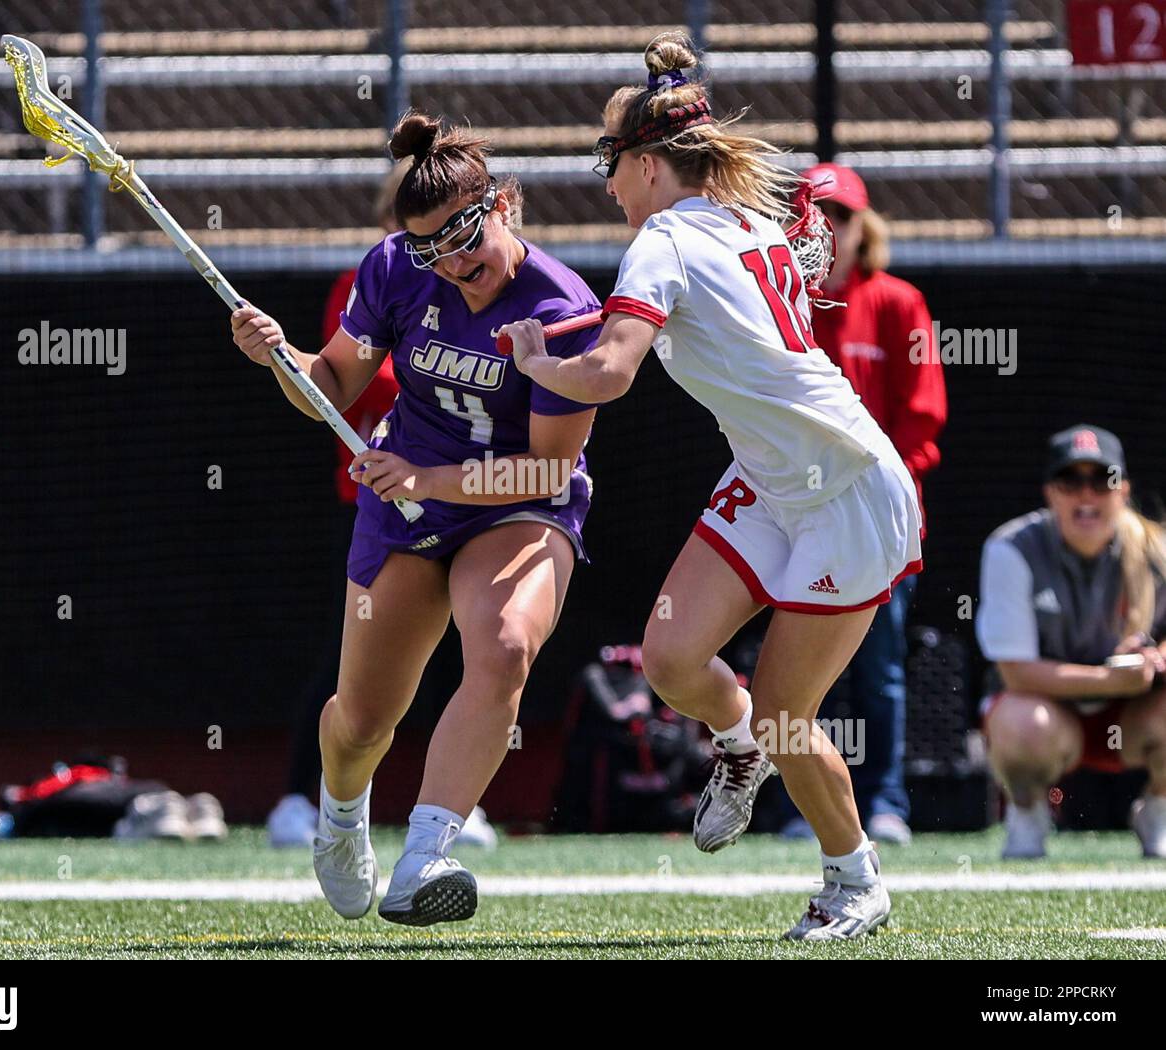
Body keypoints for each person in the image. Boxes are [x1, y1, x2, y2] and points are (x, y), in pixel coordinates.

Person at [500, 31, 922, 940]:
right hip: (772, 478)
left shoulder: (664, 240)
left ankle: (856, 881)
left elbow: (611, 375)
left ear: (648, 164)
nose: (605, 185)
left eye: (608, 165)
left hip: (849, 490)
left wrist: (537, 360)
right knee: (670, 660)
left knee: (784, 718)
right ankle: (735, 748)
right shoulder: (743, 224)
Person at [232, 111, 600, 925]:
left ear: (502, 203)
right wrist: (281, 358)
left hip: (516, 507)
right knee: (362, 720)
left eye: (465, 235)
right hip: (407, 504)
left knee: (504, 647)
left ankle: (427, 854)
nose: (454, 262)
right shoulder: (396, 269)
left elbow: (545, 467)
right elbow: (329, 384)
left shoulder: (565, 307)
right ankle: (339, 818)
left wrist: (429, 475)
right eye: (431, 248)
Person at [266, 162, 497, 852]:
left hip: (464, 499)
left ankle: (452, 803)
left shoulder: (495, 294)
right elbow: (347, 381)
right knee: (355, 668)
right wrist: (282, 355)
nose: (433, 254)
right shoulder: (371, 280)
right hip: (382, 502)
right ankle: (303, 799)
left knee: (466, 652)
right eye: (412, 233)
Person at [774, 163, 947, 846]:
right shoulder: (783, 300)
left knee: (880, 671)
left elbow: (922, 421)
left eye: (841, 216)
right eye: (817, 215)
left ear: (862, 226)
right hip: (797, 511)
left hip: (874, 519)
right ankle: (798, 810)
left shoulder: (900, 303)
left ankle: (887, 804)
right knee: (797, 673)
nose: (829, 230)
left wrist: (874, 491)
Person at [975, 424, 1166, 859]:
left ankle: (1159, 807)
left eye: (1102, 481)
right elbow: (1015, 672)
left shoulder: (1158, 550)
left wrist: (1153, 661)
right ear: (1050, 492)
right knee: (1023, 724)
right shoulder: (1011, 548)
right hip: (1047, 715)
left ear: (1124, 490)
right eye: (1071, 481)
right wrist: (1110, 680)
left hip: (1132, 719)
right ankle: (1027, 809)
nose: (1087, 495)